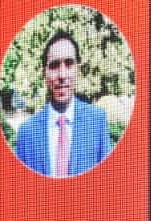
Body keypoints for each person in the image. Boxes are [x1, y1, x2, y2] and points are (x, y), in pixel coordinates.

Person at [14, 30, 113, 178]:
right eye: (54, 65)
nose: (62, 75)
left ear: (78, 70)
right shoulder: (26, 133)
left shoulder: (97, 121)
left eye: (69, 63)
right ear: (44, 73)